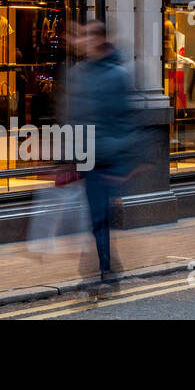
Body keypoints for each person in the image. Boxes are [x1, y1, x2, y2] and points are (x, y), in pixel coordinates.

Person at [65, 19, 139, 295]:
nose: (81, 41)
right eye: (81, 36)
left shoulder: (118, 75)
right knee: (96, 216)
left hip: (107, 158)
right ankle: (106, 269)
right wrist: (69, 156)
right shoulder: (78, 72)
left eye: (86, 36)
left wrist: (122, 161)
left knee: (98, 217)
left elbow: (126, 119)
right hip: (86, 155)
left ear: (98, 40)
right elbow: (73, 115)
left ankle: (105, 273)